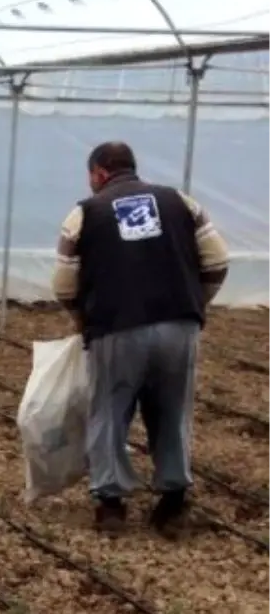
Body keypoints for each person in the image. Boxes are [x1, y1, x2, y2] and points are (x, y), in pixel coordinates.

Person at [52, 141, 229, 536]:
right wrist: (196, 304)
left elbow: (63, 282)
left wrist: (83, 320)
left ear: (98, 173)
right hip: (178, 326)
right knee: (172, 410)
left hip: (116, 328)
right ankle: (172, 502)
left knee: (110, 411)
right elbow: (217, 260)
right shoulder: (182, 202)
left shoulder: (84, 212)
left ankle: (112, 505)